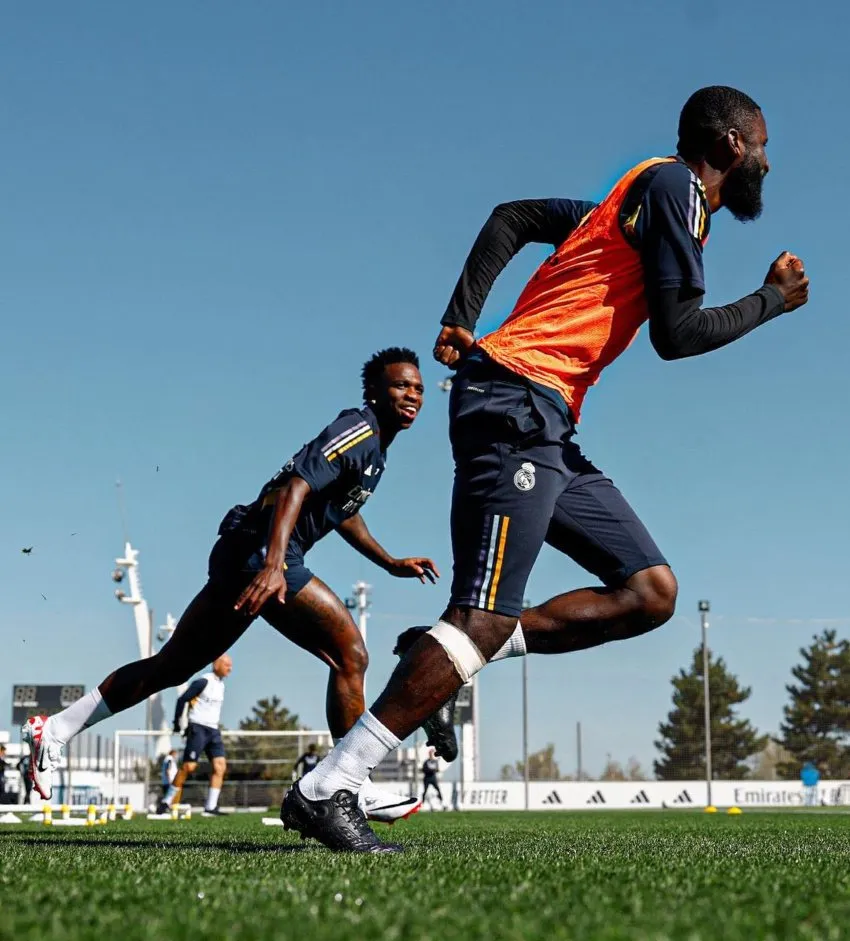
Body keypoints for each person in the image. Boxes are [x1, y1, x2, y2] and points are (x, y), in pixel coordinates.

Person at [282, 86, 810, 852]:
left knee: (649, 590)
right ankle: (330, 783)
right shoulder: (676, 190)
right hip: (515, 404)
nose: (768, 158)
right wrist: (772, 300)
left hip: (547, 421)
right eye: (762, 143)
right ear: (731, 145)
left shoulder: (640, 191)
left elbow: (514, 217)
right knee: (484, 613)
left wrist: (463, 312)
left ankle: (446, 651)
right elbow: (678, 332)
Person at [23, 347, 438, 826]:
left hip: (249, 553)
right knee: (351, 654)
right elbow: (296, 486)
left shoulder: (375, 452)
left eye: (419, 389)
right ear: (374, 392)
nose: (412, 396)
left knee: (172, 667)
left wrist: (388, 561)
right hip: (259, 553)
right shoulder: (358, 429)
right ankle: (349, 786)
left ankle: (53, 730)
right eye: (401, 386)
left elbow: (341, 510)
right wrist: (275, 565)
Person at [158, 657, 233, 816]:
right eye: (227, 665)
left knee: (220, 767)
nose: (230, 668)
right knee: (188, 767)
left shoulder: (221, 685)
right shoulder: (203, 682)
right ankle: (166, 802)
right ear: (216, 664)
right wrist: (177, 724)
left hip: (213, 730)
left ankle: (210, 807)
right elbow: (182, 699)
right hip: (198, 728)